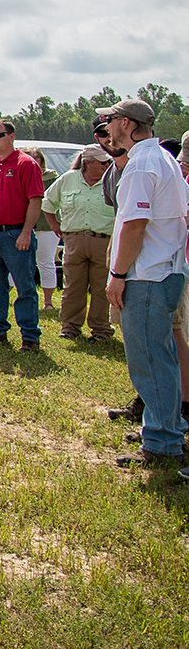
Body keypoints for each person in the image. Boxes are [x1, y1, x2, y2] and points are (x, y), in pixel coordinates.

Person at [98, 98, 189, 469]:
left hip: (146, 275)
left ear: (125, 123)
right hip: (163, 271)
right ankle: (165, 427)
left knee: (150, 360)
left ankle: (163, 441)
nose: (107, 127)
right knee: (162, 356)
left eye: (110, 121)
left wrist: (118, 274)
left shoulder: (141, 166)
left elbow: (135, 225)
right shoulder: (162, 158)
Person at [0, 120, 45, 351]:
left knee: (24, 287)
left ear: (12, 136)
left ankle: (30, 337)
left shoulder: (26, 164)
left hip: (15, 233)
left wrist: (25, 232)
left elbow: (35, 200)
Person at [43, 146, 115, 341]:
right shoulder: (68, 179)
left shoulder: (113, 180)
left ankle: (101, 329)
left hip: (104, 240)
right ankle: (70, 326)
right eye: (102, 162)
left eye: (108, 162)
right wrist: (55, 226)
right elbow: (47, 203)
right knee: (73, 285)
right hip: (74, 239)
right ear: (88, 163)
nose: (107, 165)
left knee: (101, 287)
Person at [22, 147, 60, 309]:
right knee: (19, 262)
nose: (33, 161)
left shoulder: (52, 178)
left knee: (45, 262)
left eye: (36, 158)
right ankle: (18, 296)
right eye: (29, 157)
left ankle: (48, 301)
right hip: (22, 225)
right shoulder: (19, 175)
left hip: (45, 226)